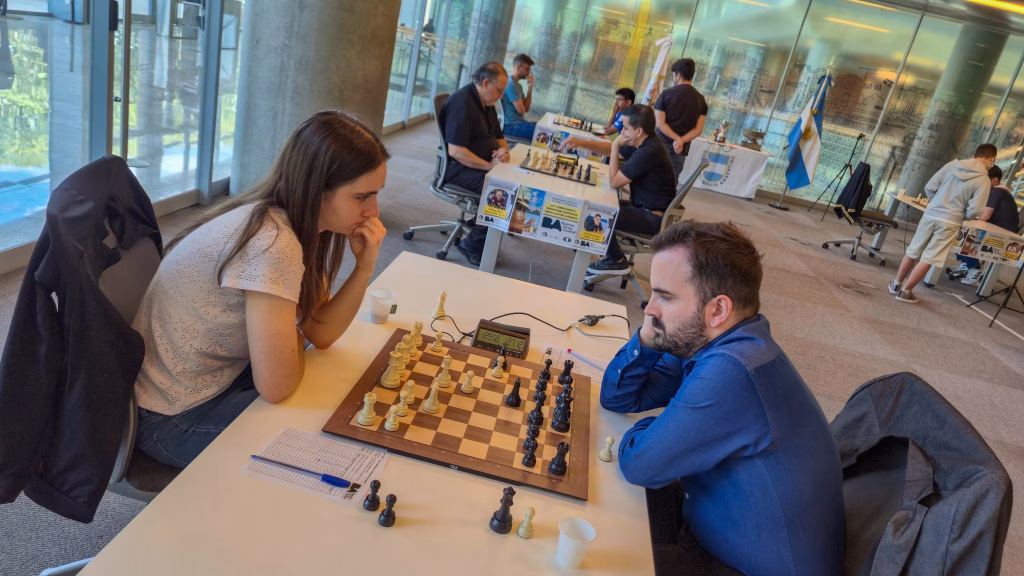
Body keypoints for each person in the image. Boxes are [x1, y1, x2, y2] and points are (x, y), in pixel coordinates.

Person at [132, 111, 389, 468]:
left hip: (221, 380)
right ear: (317, 189)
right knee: (333, 450)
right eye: (362, 197)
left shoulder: (293, 222)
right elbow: (278, 384)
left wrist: (364, 267)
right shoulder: (272, 243)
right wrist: (293, 336)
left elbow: (320, 332)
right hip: (173, 416)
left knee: (338, 398)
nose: (374, 210)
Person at [601, 221, 845, 575]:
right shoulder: (714, 340)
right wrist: (647, 340)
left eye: (665, 297)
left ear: (718, 310)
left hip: (735, 566)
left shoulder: (734, 369)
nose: (649, 309)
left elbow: (641, 463)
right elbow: (618, 397)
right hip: (714, 530)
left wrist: (668, 429)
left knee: (596, 553)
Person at [562, 104, 677, 275]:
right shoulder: (646, 141)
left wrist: (615, 146)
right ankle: (593, 245)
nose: (621, 132)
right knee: (596, 203)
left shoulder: (648, 151)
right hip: (644, 209)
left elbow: (615, 182)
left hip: (652, 217)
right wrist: (581, 143)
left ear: (638, 131)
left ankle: (616, 260)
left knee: (594, 214)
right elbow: (612, 150)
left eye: (625, 128)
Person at [889, 143, 996, 303]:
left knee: (913, 250)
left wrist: (936, 202)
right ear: (992, 158)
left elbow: (930, 187)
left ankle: (896, 284)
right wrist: (961, 215)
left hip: (931, 214)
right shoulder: (983, 180)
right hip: (951, 221)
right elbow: (976, 210)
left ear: (976, 154)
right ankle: (906, 292)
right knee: (929, 257)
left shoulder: (952, 165)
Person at [439, 61, 511, 266]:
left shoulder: (486, 103)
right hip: (458, 169)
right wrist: (488, 166)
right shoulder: (463, 103)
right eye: (500, 90)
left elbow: (499, 136)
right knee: (504, 194)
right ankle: (471, 244)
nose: (501, 96)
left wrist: (503, 152)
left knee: (508, 184)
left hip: (476, 166)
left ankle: (480, 222)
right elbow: (456, 151)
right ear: (486, 82)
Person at [954, 164, 1022, 285]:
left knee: (959, 233)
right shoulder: (1000, 192)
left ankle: (973, 267)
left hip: (1000, 236)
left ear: (994, 180)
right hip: (997, 231)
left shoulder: (996, 192)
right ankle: (967, 263)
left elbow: (984, 216)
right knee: (961, 230)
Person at [654, 58, 708, 179]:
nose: (673, 78)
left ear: (678, 74)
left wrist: (676, 139)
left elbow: (659, 123)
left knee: (651, 180)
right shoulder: (700, 99)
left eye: (673, 75)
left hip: (660, 145)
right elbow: (698, 129)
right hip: (681, 149)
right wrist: (680, 141)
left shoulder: (666, 94)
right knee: (671, 183)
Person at [501, 53, 536, 141]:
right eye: (527, 69)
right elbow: (521, 111)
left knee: (543, 128)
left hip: (519, 124)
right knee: (543, 133)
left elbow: (526, 109)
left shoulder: (517, 85)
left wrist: (530, 88)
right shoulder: (511, 84)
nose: (529, 73)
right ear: (518, 68)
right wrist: (523, 107)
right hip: (511, 126)